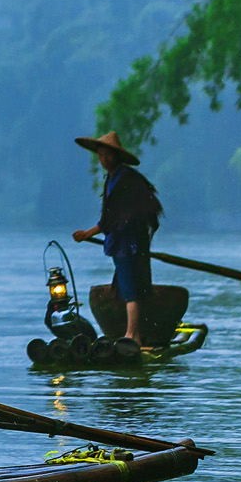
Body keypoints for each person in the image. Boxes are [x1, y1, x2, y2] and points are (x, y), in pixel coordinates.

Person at [71, 131, 162, 349]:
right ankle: (131, 334)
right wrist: (91, 232)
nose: (104, 160)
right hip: (121, 243)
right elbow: (110, 218)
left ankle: (133, 336)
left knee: (131, 290)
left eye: (108, 156)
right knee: (125, 287)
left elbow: (115, 218)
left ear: (116, 156)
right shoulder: (111, 179)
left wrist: (87, 233)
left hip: (129, 244)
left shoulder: (127, 179)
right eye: (101, 156)